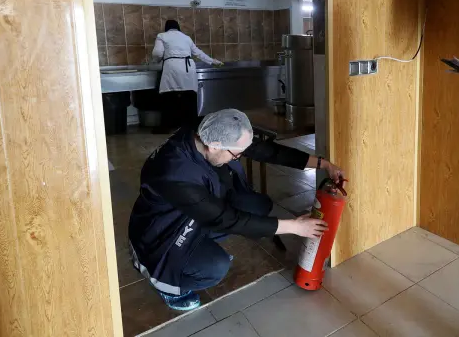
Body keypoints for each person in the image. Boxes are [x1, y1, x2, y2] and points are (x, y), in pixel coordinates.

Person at [128, 109, 346, 311]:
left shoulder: (208, 128)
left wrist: (323, 164)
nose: (238, 158)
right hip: (162, 232)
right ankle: (165, 284)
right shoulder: (175, 174)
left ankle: (203, 236)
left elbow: (268, 151)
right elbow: (226, 218)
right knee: (214, 267)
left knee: (257, 207)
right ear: (213, 146)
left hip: (196, 207)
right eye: (235, 155)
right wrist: (295, 227)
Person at [151, 19, 223, 132]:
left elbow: (157, 53)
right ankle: (192, 126)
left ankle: (166, 127)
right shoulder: (186, 37)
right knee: (189, 96)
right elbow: (198, 53)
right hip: (188, 67)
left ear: (166, 27)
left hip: (172, 67)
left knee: (169, 97)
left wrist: (157, 60)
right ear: (178, 27)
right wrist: (213, 61)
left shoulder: (162, 36)